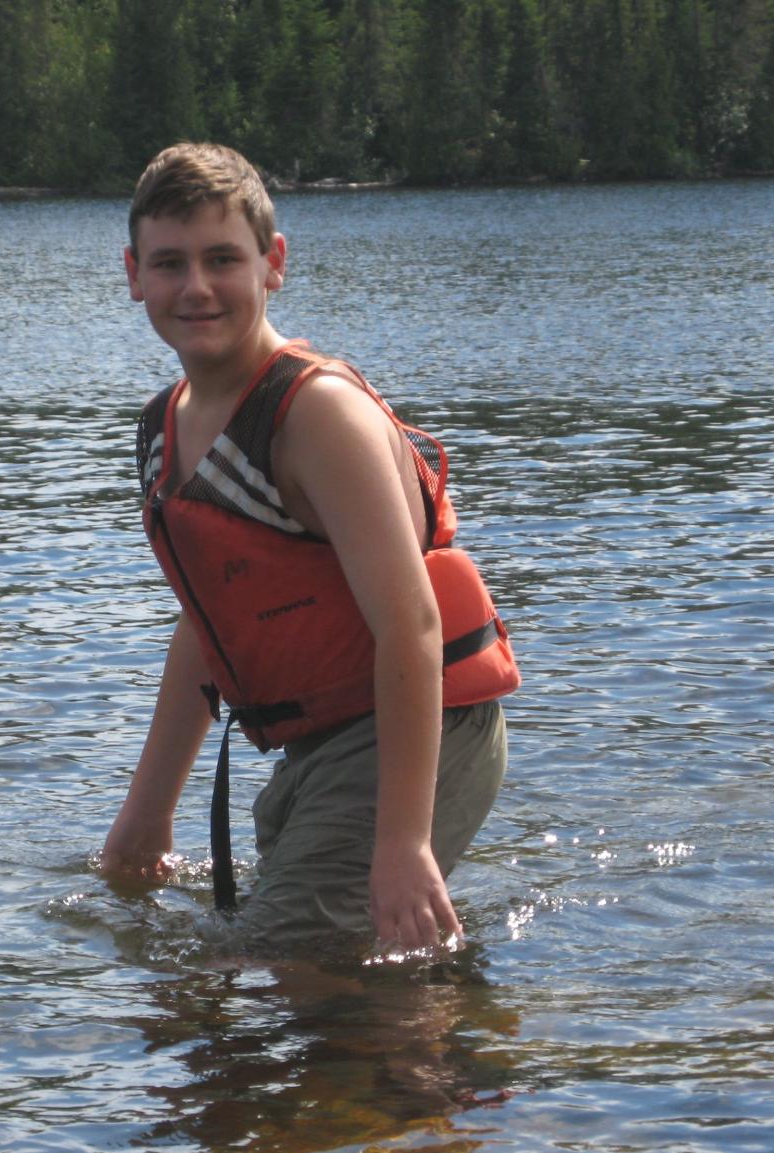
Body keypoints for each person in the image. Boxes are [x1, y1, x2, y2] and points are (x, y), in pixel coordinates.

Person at [100, 143, 520, 955]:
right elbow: (208, 625)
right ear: (134, 274)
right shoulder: (163, 430)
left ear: (274, 264)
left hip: (423, 726)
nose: (196, 287)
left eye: (223, 259)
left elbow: (412, 626)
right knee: (307, 965)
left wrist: (403, 843)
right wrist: (146, 814)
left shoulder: (316, 415)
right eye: (170, 263)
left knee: (297, 963)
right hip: (322, 741)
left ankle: (433, 1038)